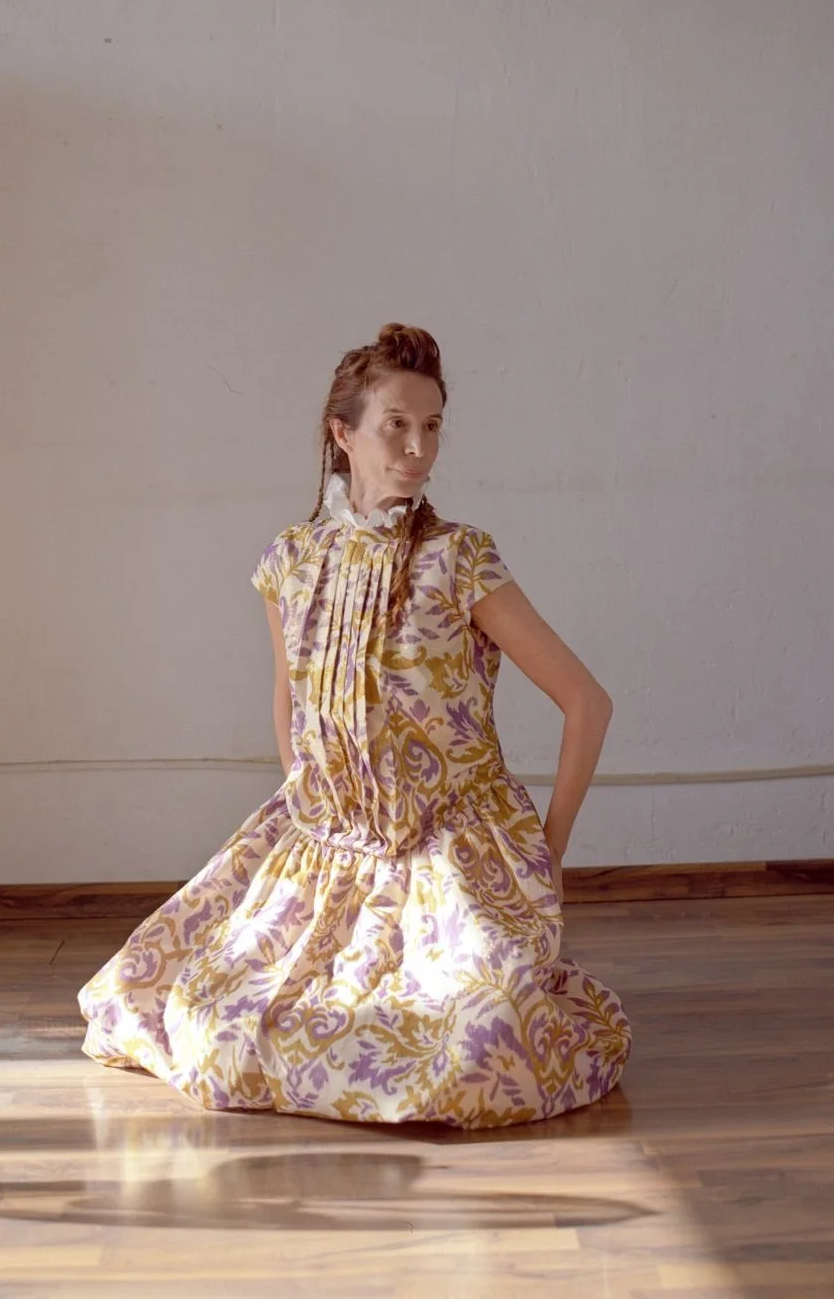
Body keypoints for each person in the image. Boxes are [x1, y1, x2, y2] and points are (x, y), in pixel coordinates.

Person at [79, 324, 630, 1127]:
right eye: (396, 425)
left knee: (481, 1052)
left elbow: (587, 701)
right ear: (343, 434)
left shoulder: (460, 559)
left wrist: (550, 851)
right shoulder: (291, 560)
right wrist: (308, 807)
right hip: (324, 844)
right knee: (214, 1031)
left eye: (432, 426)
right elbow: (290, 697)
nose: (418, 448)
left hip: (452, 852)